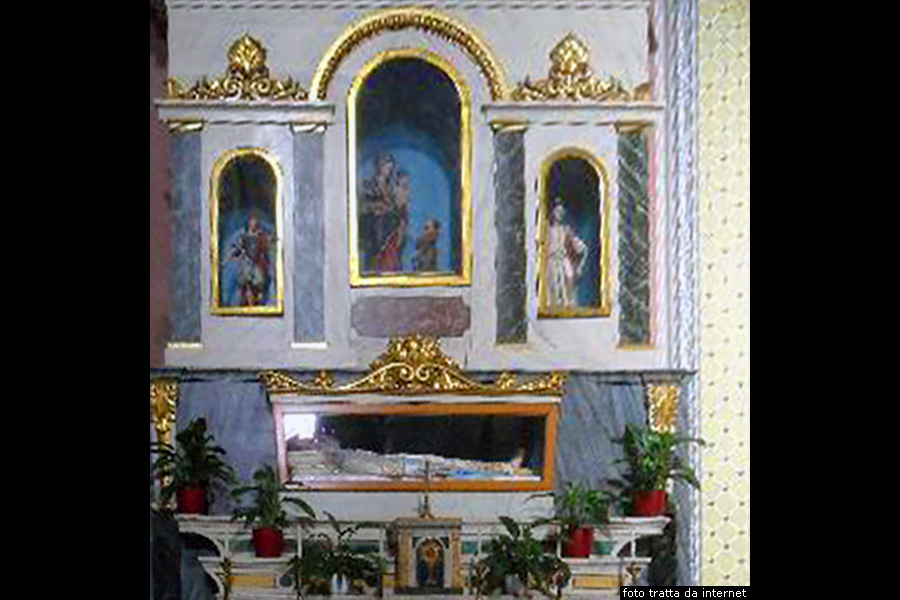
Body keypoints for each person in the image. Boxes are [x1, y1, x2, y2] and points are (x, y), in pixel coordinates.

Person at [359, 153, 408, 272]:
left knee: (391, 258)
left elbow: (399, 207)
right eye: (386, 167)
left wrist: (401, 218)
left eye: (390, 168)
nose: (388, 171)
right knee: (376, 260)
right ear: (379, 167)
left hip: (391, 228)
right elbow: (363, 207)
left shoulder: (391, 187)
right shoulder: (369, 184)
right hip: (376, 228)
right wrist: (378, 207)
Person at [546, 200, 588, 307]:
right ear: (553, 212)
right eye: (557, 211)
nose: (560, 214)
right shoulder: (546, 229)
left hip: (563, 262)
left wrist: (579, 267)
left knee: (568, 285)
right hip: (551, 263)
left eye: (562, 212)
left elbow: (582, 249)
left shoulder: (566, 230)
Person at [226, 214, 272, 306]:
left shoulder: (260, 236)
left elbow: (264, 248)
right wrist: (234, 254)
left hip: (257, 263)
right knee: (246, 283)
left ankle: (258, 300)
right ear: (248, 224)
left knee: (258, 283)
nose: (252, 225)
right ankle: (246, 300)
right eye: (251, 223)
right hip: (246, 263)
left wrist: (265, 242)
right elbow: (239, 249)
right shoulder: (244, 236)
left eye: (254, 224)